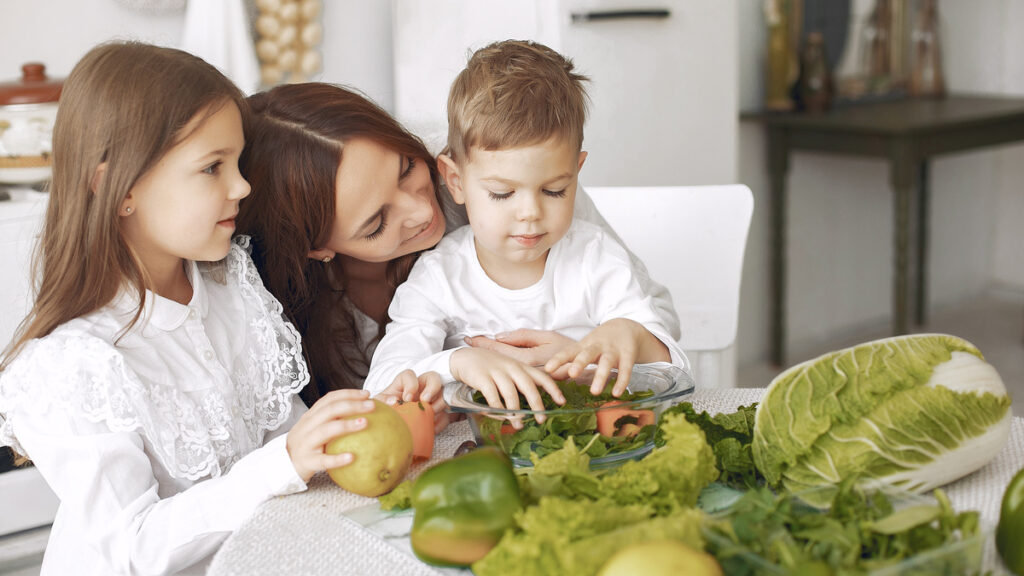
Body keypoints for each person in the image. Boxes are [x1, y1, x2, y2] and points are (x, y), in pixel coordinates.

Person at [0, 42, 432, 575]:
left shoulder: (232, 285)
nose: (242, 185)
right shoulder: (70, 366)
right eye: (212, 168)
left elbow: (296, 442)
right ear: (118, 190)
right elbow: (135, 548)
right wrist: (285, 463)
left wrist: (377, 418)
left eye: (237, 160)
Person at [236, 82, 680, 408]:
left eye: (407, 168)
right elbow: (383, 391)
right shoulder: (273, 304)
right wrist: (456, 363)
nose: (420, 211)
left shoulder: (509, 171)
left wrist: (582, 350)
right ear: (318, 249)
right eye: (376, 224)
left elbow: (654, 326)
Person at [361, 40, 686, 414]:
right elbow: (380, 384)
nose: (530, 212)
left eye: (554, 190)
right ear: (456, 182)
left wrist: (633, 336)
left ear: (576, 173)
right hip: (485, 454)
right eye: (502, 193)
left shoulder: (594, 256)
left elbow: (674, 368)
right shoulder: (439, 276)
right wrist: (456, 363)